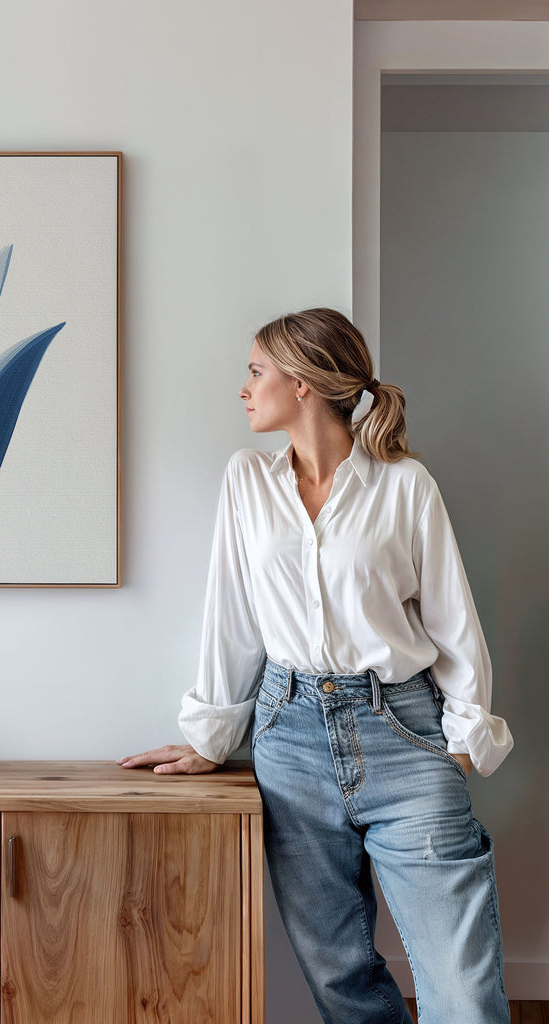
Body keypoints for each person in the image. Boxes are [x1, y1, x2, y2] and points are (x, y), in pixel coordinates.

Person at [119, 308, 513, 1024]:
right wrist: (212, 737)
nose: (244, 388)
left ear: (302, 384)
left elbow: (454, 622)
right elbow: (230, 617)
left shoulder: (405, 486)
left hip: (404, 729)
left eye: (255, 371)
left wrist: (460, 741)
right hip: (288, 735)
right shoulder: (247, 482)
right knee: (340, 979)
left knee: (462, 989)